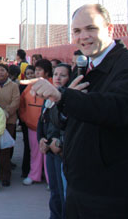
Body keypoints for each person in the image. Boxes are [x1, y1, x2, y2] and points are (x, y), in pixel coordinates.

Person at [23, 4, 128, 218]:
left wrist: (62, 96)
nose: (83, 36)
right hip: (81, 189)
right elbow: (61, 115)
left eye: (90, 28)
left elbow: (116, 109)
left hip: (112, 196)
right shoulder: (82, 69)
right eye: (77, 31)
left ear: (109, 29)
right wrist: (63, 103)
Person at [38, 63, 70, 219]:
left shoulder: (69, 98)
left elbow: (64, 125)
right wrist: (41, 139)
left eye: (62, 75)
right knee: (54, 190)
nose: (58, 77)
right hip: (49, 149)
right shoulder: (49, 96)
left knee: (64, 192)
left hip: (60, 150)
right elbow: (42, 121)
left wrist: (57, 142)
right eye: (56, 74)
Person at [20, 58, 52, 186]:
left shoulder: (52, 85)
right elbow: (22, 103)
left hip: (49, 127)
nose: (37, 73)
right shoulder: (30, 85)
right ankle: (34, 175)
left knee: (49, 154)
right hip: (32, 125)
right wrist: (25, 118)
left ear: (47, 72)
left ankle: (51, 180)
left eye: (40, 70)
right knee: (35, 152)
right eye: (36, 70)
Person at [0, 62, 20, 186]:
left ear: (7, 72)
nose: (0, 72)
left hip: (8, 121)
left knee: (5, 150)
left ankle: (6, 176)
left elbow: (16, 101)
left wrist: (6, 112)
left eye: (3, 70)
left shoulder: (13, 86)